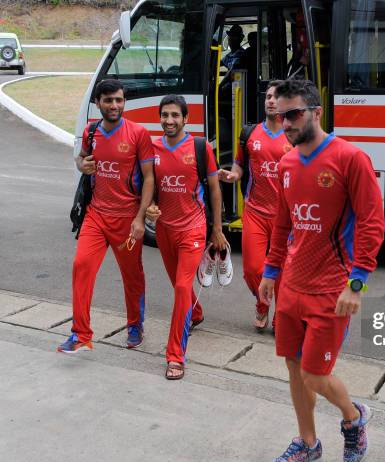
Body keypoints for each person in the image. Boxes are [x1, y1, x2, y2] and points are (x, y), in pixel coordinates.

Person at [259, 80, 385, 462]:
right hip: (293, 285)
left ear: (316, 111)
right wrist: (270, 271)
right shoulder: (286, 164)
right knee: (295, 369)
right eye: (280, 115)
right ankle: (308, 444)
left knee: (316, 373)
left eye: (293, 113)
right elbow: (283, 225)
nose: (286, 122)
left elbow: (371, 222)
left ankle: (352, 417)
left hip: (333, 289)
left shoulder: (350, 158)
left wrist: (357, 281)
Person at [57, 79, 155, 353]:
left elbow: (149, 178)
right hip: (96, 216)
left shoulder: (138, 134)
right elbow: (82, 159)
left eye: (119, 100)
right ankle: (80, 333)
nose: (114, 105)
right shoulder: (91, 131)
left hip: (127, 219)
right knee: (81, 266)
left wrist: (140, 218)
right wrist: (82, 164)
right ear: (98, 102)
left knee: (132, 276)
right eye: (109, 100)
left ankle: (135, 324)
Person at [145, 95, 225, 380]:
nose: (169, 120)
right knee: (178, 285)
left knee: (181, 286)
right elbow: (151, 187)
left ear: (185, 118)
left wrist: (217, 228)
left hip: (193, 228)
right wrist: (150, 207)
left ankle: (175, 355)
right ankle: (197, 312)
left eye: (175, 115)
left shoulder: (200, 148)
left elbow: (214, 190)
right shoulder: (152, 148)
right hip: (165, 229)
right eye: (164, 115)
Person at [218, 81, 292, 331]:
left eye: (277, 97)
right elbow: (240, 163)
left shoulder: (294, 135)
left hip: (286, 217)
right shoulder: (249, 133)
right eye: (268, 96)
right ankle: (262, 303)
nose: (271, 100)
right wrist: (233, 175)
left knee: (281, 271)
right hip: (256, 212)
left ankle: (280, 315)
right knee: (252, 269)